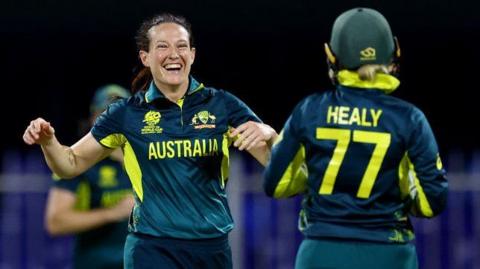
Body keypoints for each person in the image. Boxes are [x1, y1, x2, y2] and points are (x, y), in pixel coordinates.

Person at [23, 13, 277, 269]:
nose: (173, 54)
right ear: (145, 57)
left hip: (212, 249)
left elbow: (278, 169)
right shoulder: (125, 113)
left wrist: (271, 135)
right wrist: (49, 141)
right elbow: (70, 164)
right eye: (162, 46)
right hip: (153, 249)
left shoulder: (223, 105)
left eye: (181, 46)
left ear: (192, 54)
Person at [263, 7, 448, 269]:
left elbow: (276, 184)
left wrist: (315, 174)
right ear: (394, 54)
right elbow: (433, 202)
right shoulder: (410, 119)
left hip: (321, 252)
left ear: (331, 57)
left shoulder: (309, 111)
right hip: (389, 254)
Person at [45, 84, 134, 269]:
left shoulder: (145, 157)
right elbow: (56, 221)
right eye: (105, 113)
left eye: (120, 113)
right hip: (96, 263)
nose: (114, 120)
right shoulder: (79, 160)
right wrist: (112, 213)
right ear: (94, 118)